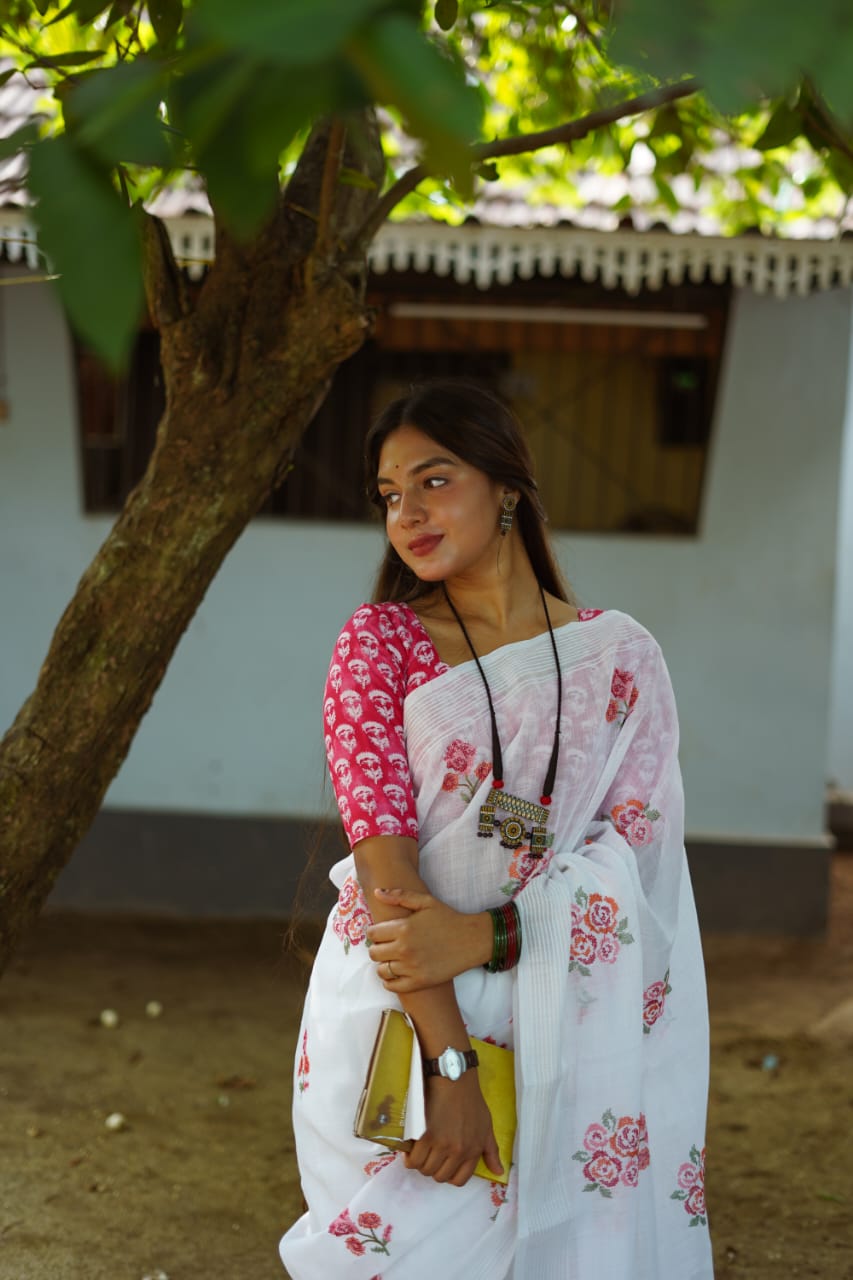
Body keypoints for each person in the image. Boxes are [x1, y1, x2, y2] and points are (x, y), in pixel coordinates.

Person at [279, 380, 714, 1279]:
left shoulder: (618, 658)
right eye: (389, 496)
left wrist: (490, 933)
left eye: (432, 481)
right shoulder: (380, 644)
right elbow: (385, 867)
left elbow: (637, 864)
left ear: (506, 485)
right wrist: (452, 1073)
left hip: (565, 1012)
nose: (407, 514)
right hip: (403, 1015)